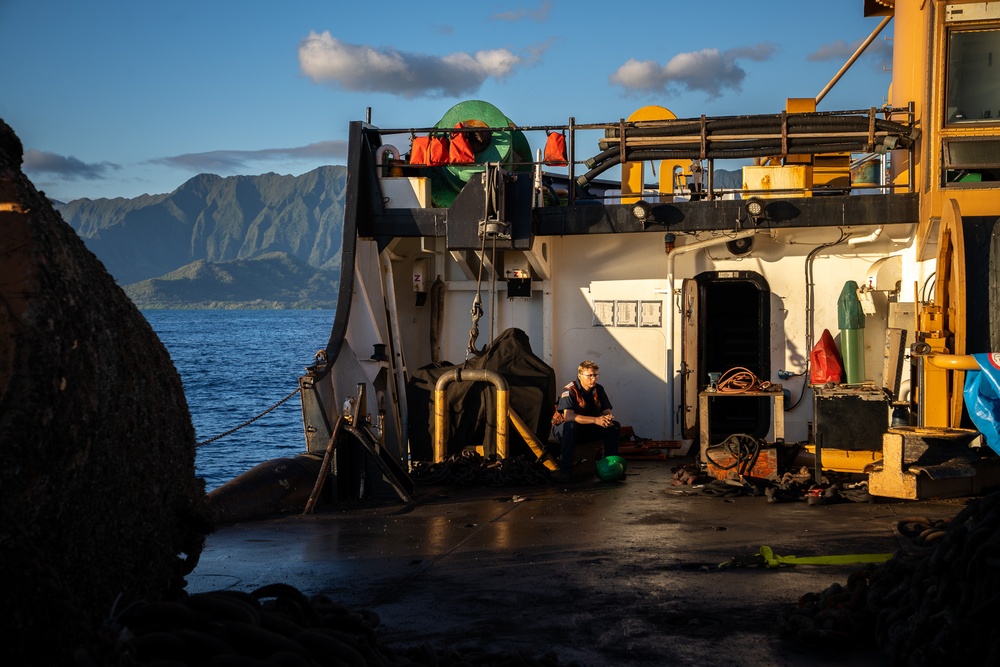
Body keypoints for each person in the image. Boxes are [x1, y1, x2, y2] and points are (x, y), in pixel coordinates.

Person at [551, 360, 620, 481]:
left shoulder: (599, 389)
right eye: (590, 376)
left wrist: (607, 418)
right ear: (580, 376)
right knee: (571, 426)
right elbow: (569, 417)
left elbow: (606, 411)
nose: (593, 379)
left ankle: (609, 467)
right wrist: (596, 420)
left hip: (587, 428)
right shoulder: (570, 390)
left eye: (595, 375)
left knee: (614, 426)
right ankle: (565, 471)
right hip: (566, 430)